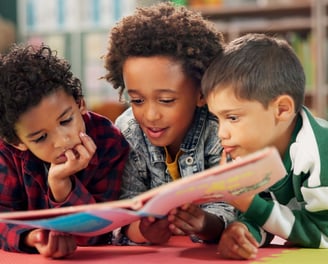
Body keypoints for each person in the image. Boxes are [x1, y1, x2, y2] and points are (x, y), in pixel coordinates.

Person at [102, 2, 235, 246]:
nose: (150, 115)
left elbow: (232, 206)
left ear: (201, 93)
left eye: (166, 100)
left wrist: (205, 224)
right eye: (137, 100)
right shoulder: (127, 131)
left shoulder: (220, 130)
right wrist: (143, 232)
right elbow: (124, 209)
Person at [201, 33, 328, 259]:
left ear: (282, 110)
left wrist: (251, 204)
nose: (221, 133)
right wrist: (242, 232)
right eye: (217, 119)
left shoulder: (319, 152)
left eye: (232, 118)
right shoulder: (246, 151)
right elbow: (270, 215)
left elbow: (323, 233)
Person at [0, 43, 129, 258]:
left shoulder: (108, 140)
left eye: (67, 120)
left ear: (80, 104)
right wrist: (33, 237)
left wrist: (61, 186)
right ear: (17, 141)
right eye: (41, 137)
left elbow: (101, 231)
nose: (63, 140)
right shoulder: (7, 154)